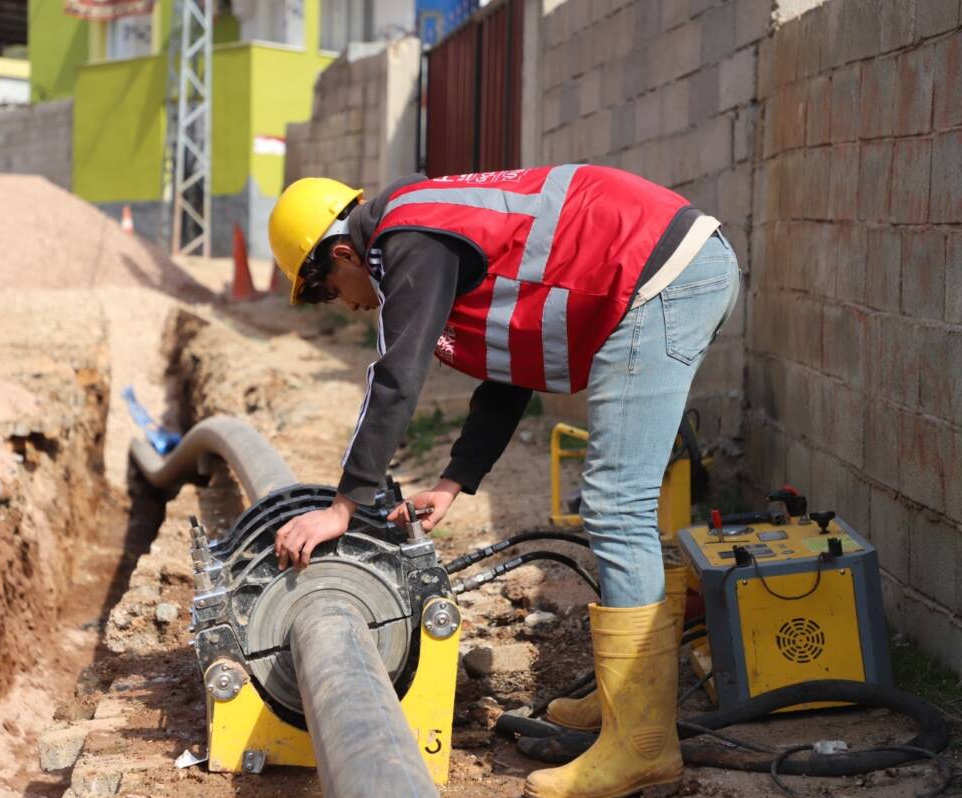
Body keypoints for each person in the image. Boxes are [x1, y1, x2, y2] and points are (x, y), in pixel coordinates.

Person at [267, 165, 739, 798]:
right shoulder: (432, 226)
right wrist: (455, 480)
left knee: (614, 506)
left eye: (329, 290)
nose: (349, 305)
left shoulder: (407, 241)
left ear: (345, 253)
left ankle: (643, 745)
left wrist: (343, 505)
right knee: (620, 503)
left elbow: (397, 375)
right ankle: (622, 702)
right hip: (666, 269)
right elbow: (511, 362)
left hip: (660, 278)